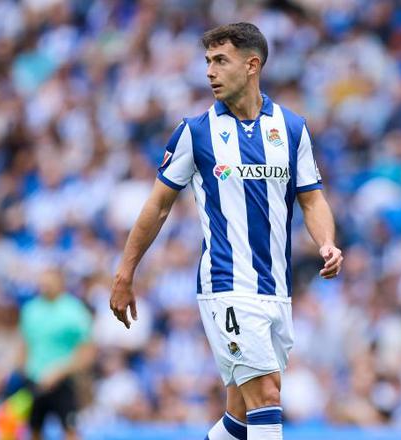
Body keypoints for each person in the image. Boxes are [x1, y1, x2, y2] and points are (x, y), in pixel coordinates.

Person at [110, 22, 343, 440]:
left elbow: (311, 200)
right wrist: (125, 272)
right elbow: (158, 206)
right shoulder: (196, 132)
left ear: (252, 65)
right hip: (227, 284)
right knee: (267, 396)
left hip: (276, 288)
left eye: (220, 61)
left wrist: (326, 242)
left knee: (240, 415)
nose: (210, 72)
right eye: (208, 62)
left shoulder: (291, 129)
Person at [20, 268, 96, 440]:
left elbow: (87, 352)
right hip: (35, 381)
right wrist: (26, 372)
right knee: (34, 430)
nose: (45, 286)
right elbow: (24, 346)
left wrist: (60, 371)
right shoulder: (30, 310)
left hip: (65, 382)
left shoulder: (75, 311)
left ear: (60, 283)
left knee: (70, 431)